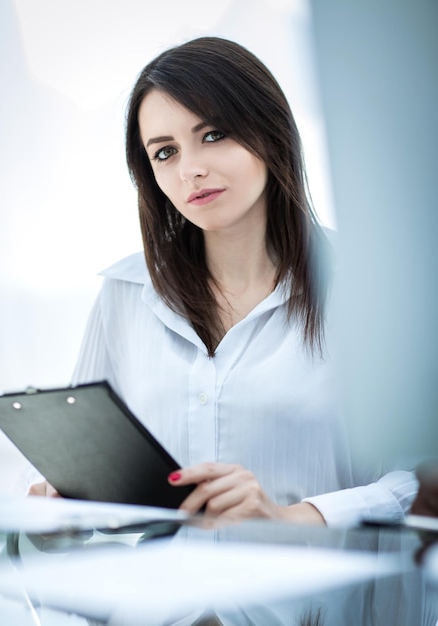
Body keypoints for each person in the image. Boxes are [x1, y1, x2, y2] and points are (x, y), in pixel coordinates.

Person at [30, 36, 417, 527]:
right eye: (165, 152)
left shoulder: (369, 284)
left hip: (318, 595)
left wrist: (295, 516)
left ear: (270, 133)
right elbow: (75, 451)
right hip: (163, 595)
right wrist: (56, 495)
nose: (191, 170)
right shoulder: (125, 292)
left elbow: (420, 477)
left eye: (213, 135)